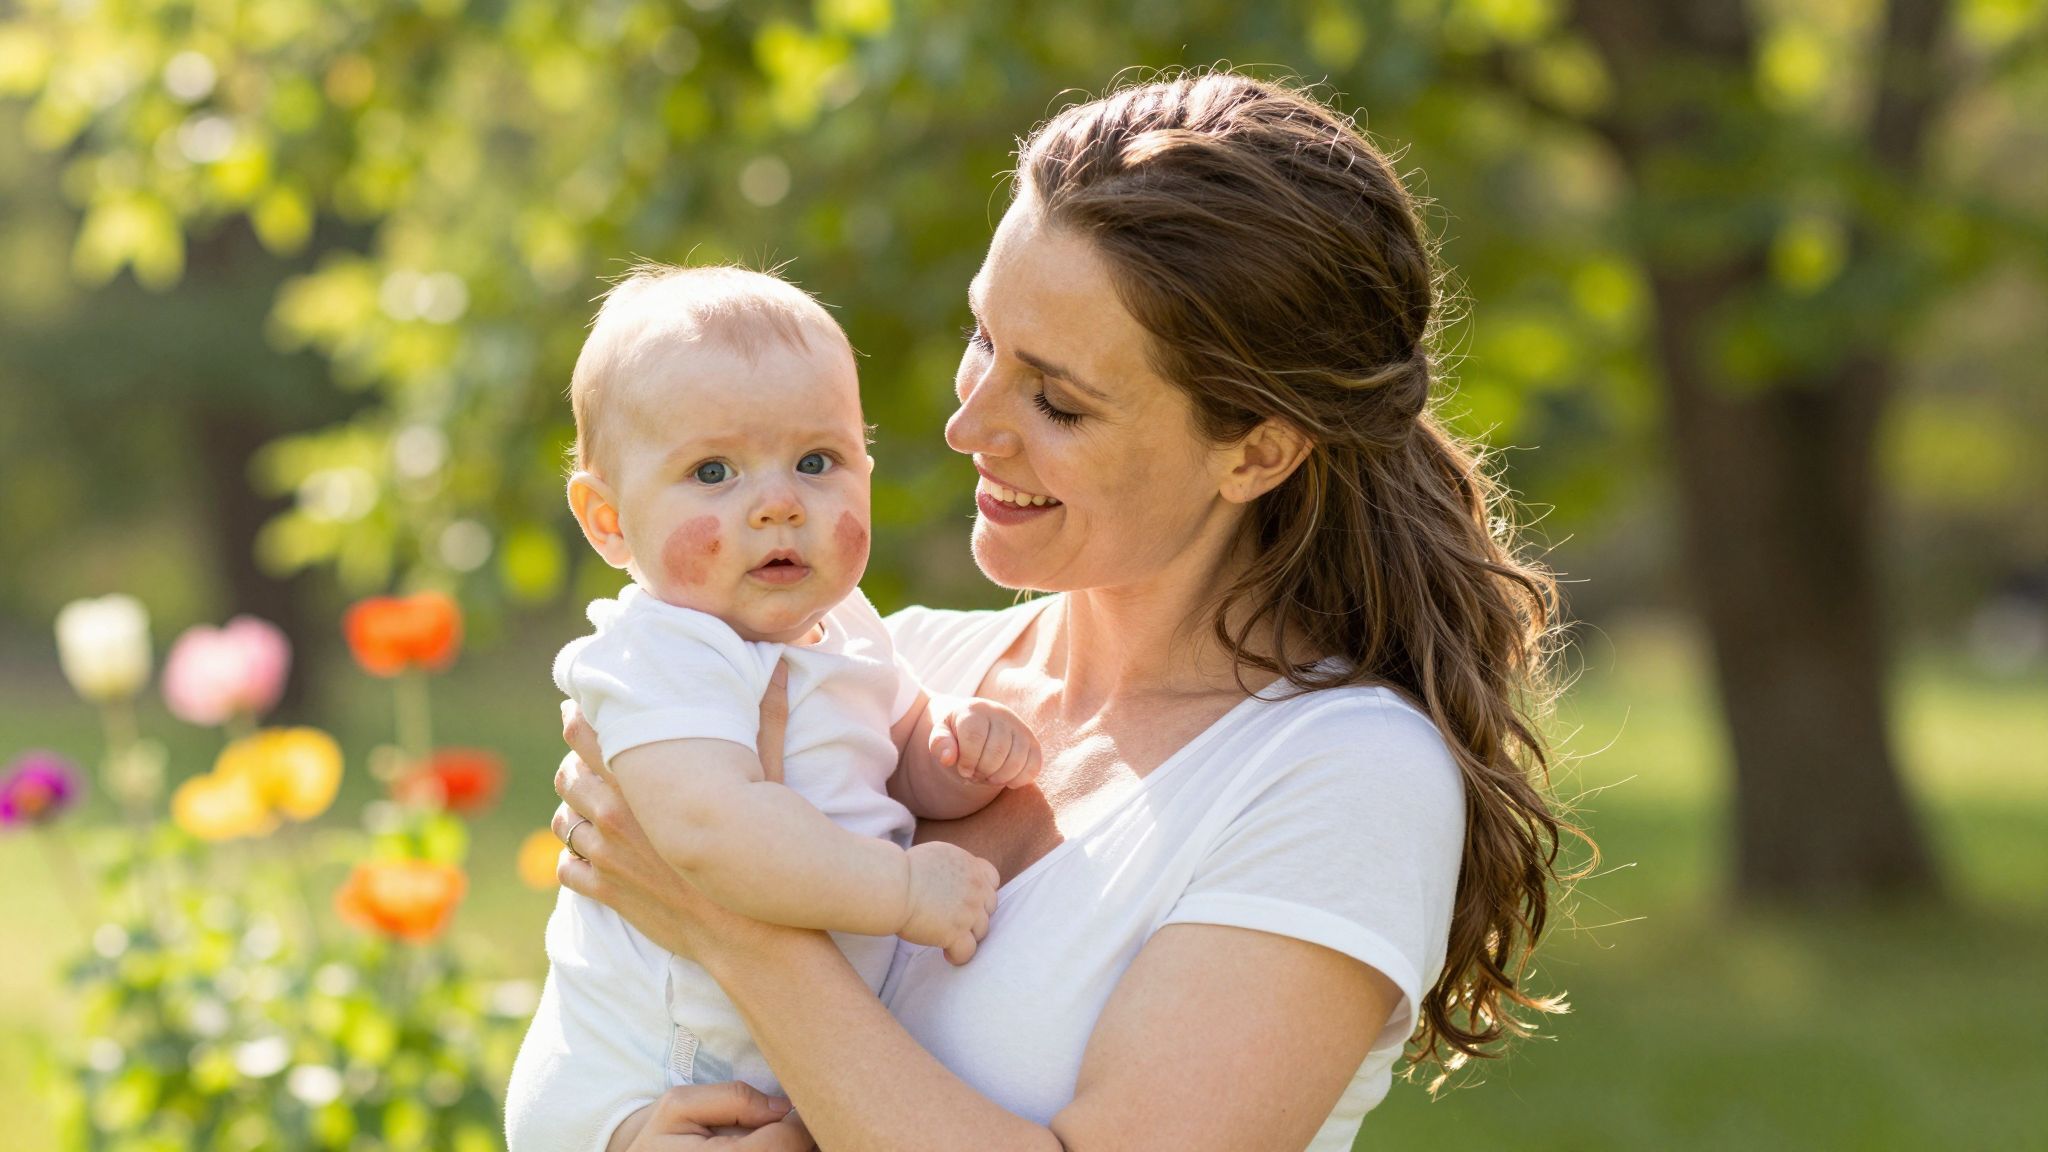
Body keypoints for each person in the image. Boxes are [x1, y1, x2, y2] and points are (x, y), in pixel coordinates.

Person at [543, 71, 1586, 1151]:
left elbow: (719, 920)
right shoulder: (886, 669)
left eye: (1055, 399)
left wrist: (740, 935)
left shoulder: (1337, 776)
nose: (967, 426)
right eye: (983, 340)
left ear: (1257, 450)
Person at [504, 265, 1044, 1152]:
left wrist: (944, 747)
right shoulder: (664, 652)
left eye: (816, 461)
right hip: (653, 1078)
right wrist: (903, 891)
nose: (781, 502)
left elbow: (889, 759)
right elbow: (712, 832)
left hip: (778, 1065)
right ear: (608, 522)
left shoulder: (848, 629)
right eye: (713, 471)